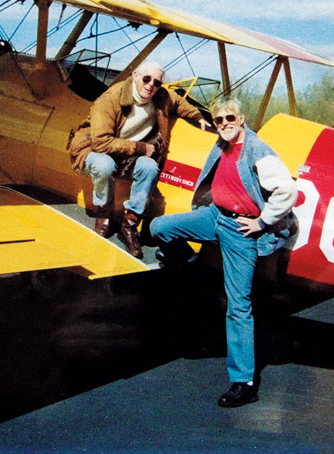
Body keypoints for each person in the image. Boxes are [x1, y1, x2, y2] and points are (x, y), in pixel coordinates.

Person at [150, 96, 298, 407]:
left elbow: (288, 190)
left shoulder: (257, 150)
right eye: (219, 120)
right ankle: (189, 262)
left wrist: (262, 221)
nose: (225, 124)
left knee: (238, 306)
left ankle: (243, 384)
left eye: (230, 118)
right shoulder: (222, 144)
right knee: (159, 227)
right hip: (215, 216)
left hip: (240, 232)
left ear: (242, 118)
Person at [69, 61, 210, 258]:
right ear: (135, 75)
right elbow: (100, 143)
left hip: (128, 155)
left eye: (157, 82)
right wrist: (140, 147)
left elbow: (178, 101)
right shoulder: (110, 99)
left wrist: (197, 116)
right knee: (104, 165)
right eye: (146, 79)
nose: (151, 85)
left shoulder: (159, 96)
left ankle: (129, 226)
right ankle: (105, 212)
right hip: (94, 151)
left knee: (150, 167)